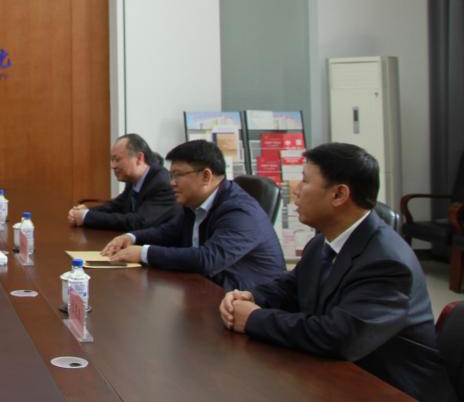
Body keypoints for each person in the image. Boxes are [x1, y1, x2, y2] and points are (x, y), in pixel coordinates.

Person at [219, 143, 454, 400]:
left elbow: (341, 337)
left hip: (391, 388)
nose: (296, 190)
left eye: (305, 181)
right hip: (337, 375)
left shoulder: (387, 261)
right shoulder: (323, 242)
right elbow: (291, 288)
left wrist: (254, 319)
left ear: (339, 195)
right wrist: (250, 297)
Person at [101, 139, 285, 290]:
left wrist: (143, 253)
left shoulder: (240, 211)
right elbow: (168, 232)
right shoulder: (194, 203)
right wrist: (131, 237)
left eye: (177, 175)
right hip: (210, 288)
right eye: (171, 175)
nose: (171, 183)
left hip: (252, 301)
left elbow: (208, 259)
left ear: (206, 176)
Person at [67, 133, 179, 231]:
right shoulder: (133, 179)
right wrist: (87, 211)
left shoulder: (162, 183)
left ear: (139, 158)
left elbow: (139, 222)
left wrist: (87, 217)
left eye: (117, 159)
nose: (113, 166)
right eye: (112, 160)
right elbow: (117, 206)